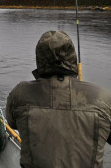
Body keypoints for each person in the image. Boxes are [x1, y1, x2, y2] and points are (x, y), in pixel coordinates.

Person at [6, 30, 111, 168]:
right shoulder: (103, 98)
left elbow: (12, 124)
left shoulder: (20, 93)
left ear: (39, 58)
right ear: (72, 57)